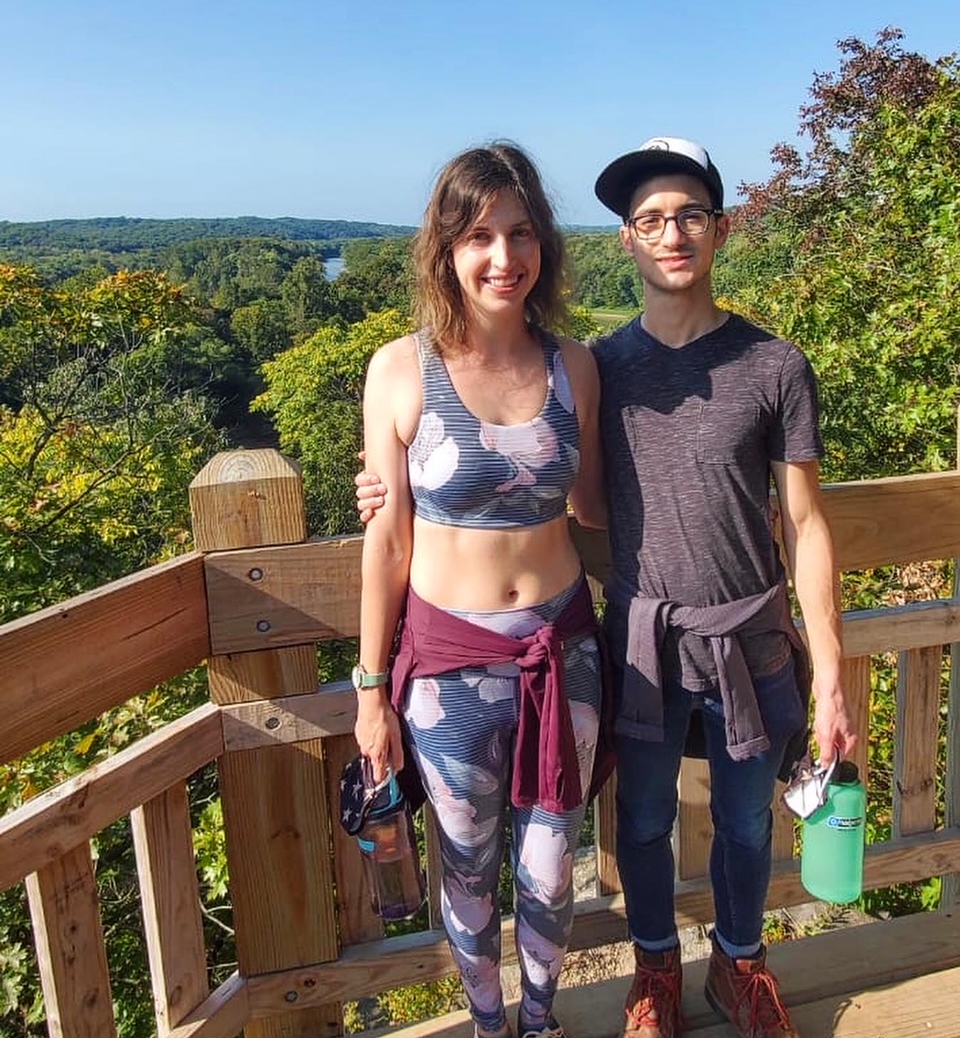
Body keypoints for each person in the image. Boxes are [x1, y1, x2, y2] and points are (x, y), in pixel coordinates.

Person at [359, 136, 855, 1038]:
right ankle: (640, 978)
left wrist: (830, 672)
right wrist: (393, 491)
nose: (673, 234)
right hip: (613, 641)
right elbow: (537, 502)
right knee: (628, 823)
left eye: (690, 216)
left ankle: (733, 968)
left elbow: (797, 522)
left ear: (721, 229)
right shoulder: (588, 363)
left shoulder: (751, 365)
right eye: (651, 220)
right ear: (626, 239)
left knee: (735, 826)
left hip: (703, 638)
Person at [353, 142, 610, 1038]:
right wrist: (369, 691)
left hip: (563, 650)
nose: (505, 256)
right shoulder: (401, 369)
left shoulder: (576, 366)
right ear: (447, 251)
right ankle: (489, 1024)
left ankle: (541, 1021)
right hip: (447, 666)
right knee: (466, 870)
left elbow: (594, 507)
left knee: (551, 870)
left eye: (522, 232)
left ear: (545, 244)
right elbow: (388, 541)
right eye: (480, 236)